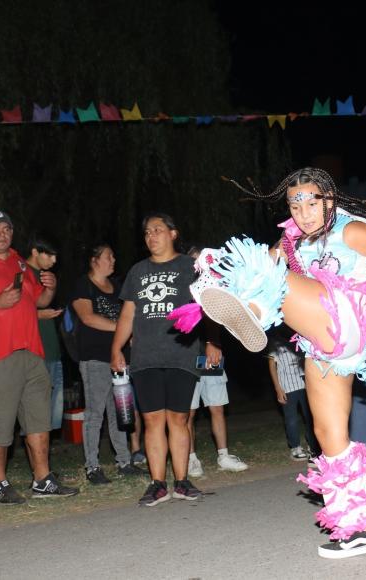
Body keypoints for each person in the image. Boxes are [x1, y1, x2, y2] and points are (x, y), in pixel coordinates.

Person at [174, 167, 366, 558]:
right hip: (321, 341)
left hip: (342, 315)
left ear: (330, 200)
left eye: (313, 201)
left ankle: (255, 310)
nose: (304, 211)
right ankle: (363, 526)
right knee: (329, 435)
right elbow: (270, 257)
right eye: (295, 204)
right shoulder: (293, 238)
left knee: (264, 269)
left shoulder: (350, 229)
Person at [0, 210, 79, 504]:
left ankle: (42, 479)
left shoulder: (18, 261)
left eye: (7, 229)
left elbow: (37, 300)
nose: (2, 234)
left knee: (38, 421)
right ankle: (0, 483)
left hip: (32, 352)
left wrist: (49, 289)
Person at [111, 213, 220, 507]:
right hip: (145, 356)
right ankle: (158, 483)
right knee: (151, 420)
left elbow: (209, 304)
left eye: (158, 230)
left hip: (181, 352)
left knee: (179, 419)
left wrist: (212, 341)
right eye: (147, 232)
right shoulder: (137, 271)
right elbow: (128, 314)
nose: (151, 236)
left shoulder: (190, 266)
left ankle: (182, 482)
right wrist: (116, 348)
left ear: (173, 233)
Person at [71, 243, 143, 484]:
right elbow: (87, 317)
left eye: (113, 256)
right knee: (95, 413)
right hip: (94, 358)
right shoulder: (83, 284)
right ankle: (92, 466)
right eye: (108, 256)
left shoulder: (118, 287)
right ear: (94, 260)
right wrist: (122, 328)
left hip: (119, 357)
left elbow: (128, 313)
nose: (113, 260)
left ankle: (123, 461)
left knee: (120, 411)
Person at [184, 247, 248, 478]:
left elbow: (216, 319)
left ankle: (224, 456)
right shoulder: (183, 285)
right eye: (194, 260)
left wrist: (214, 342)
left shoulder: (214, 284)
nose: (198, 265)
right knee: (188, 413)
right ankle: (191, 459)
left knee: (217, 407)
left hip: (210, 355)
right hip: (186, 357)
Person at [25, 234, 65, 431]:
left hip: (51, 349)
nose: (54, 261)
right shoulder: (21, 272)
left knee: (53, 408)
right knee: (35, 410)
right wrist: (38, 315)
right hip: (34, 352)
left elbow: (42, 301)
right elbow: (11, 308)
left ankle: (46, 451)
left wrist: (52, 289)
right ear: (35, 252)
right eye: (50, 255)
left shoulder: (43, 275)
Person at [267, 338, 318, 461]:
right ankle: (295, 447)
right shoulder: (276, 343)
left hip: (306, 385)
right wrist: (278, 389)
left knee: (310, 417)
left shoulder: (299, 339)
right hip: (287, 387)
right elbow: (272, 366)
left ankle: (313, 445)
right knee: (291, 419)